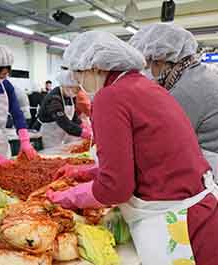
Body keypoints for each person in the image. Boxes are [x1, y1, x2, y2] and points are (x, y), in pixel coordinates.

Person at [46, 31, 218, 265]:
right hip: (202, 212)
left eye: (78, 72)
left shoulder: (110, 97)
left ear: (95, 67)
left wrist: (71, 196)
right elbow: (145, 157)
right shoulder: (145, 87)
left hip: (178, 224)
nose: (77, 80)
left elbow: (116, 189)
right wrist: (85, 172)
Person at [129, 23, 218, 178]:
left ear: (160, 60)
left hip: (210, 167)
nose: (146, 72)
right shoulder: (195, 75)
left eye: (147, 64)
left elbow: (164, 142)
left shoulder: (187, 89)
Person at [37, 70, 92, 149]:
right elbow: (63, 121)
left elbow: (73, 116)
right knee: (52, 156)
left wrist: (81, 124)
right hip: (50, 135)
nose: (76, 92)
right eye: (75, 89)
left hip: (62, 132)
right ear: (66, 86)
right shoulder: (54, 99)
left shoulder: (69, 96)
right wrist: (81, 132)